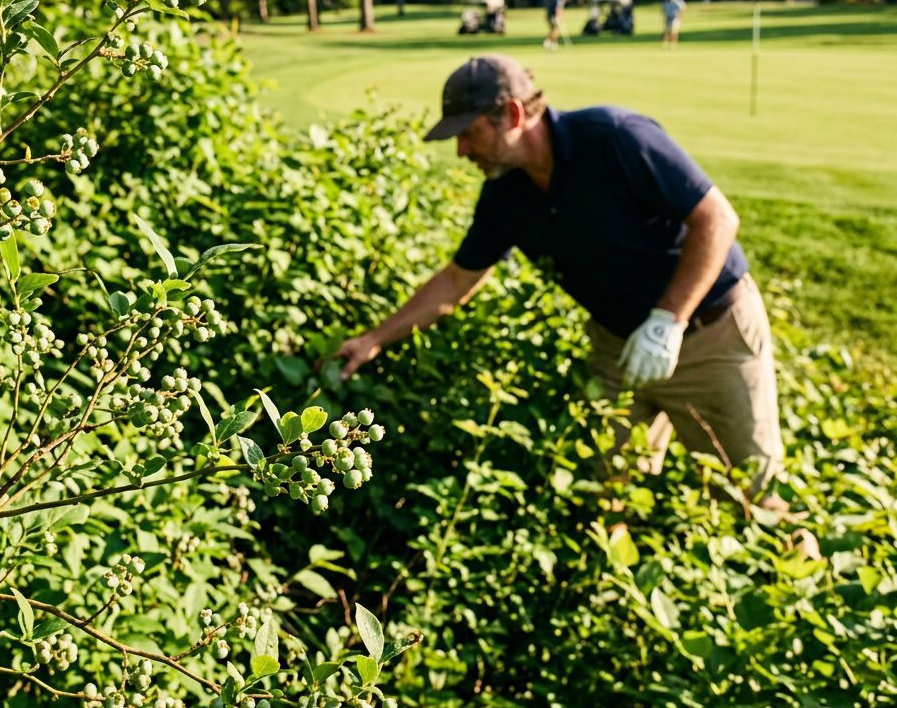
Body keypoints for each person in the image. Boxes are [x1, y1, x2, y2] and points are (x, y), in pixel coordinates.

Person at [333, 54, 785, 500]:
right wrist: (376, 337)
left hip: (710, 337)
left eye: (469, 133)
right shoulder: (505, 194)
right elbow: (456, 281)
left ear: (511, 114)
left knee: (750, 495)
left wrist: (668, 320)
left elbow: (717, 220)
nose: (461, 150)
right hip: (617, 347)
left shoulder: (615, 138)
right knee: (604, 489)